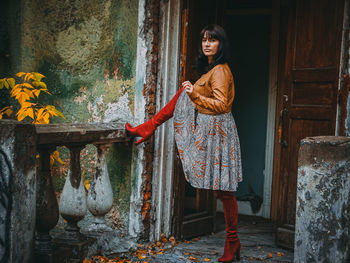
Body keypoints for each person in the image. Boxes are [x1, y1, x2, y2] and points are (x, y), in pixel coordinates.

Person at [126, 24, 242, 262]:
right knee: (224, 190)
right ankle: (148, 127)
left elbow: (222, 105)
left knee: (225, 191)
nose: (207, 44)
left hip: (219, 132)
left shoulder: (220, 70)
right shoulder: (211, 70)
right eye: (204, 40)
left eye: (213, 40)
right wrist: (191, 93)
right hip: (212, 130)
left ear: (221, 44)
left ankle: (232, 241)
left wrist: (194, 94)